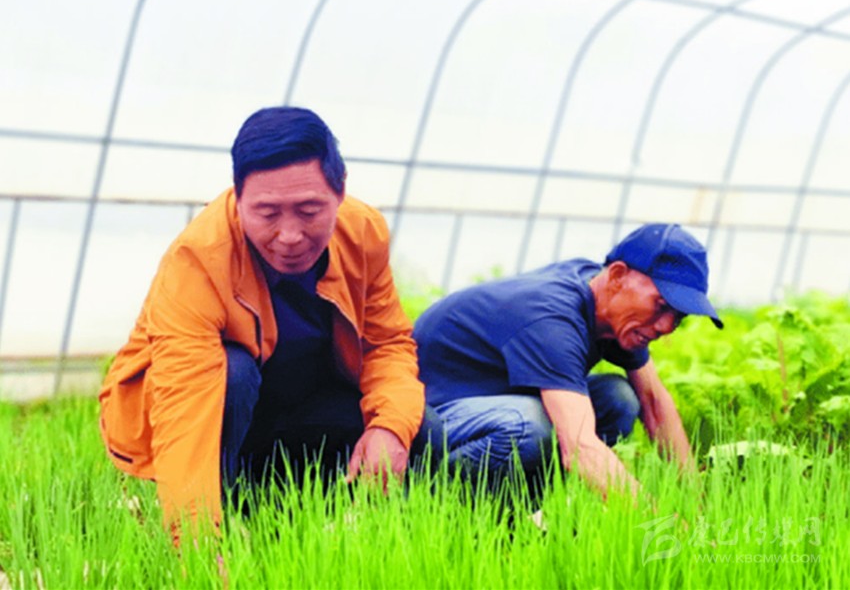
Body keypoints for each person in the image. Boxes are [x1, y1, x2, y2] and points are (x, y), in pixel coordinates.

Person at [99, 107, 426, 539]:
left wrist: (389, 428)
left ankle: (306, 514)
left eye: (309, 210)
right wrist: (195, 543)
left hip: (300, 405)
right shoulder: (197, 260)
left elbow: (386, 346)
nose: (289, 236)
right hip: (220, 413)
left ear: (341, 190)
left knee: (422, 430)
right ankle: (228, 509)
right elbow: (184, 404)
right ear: (237, 197)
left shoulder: (363, 232)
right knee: (231, 373)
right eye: (267, 213)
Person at [413, 223, 723, 501]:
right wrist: (666, 528)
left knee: (617, 400)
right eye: (661, 306)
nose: (666, 326)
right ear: (617, 276)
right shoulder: (552, 318)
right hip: (427, 418)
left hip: (491, 408)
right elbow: (579, 448)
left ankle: (525, 506)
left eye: (678, 317)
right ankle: (429, 501)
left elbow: (653, 403)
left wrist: (696, 505)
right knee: (529, 424)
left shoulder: (607, 300)